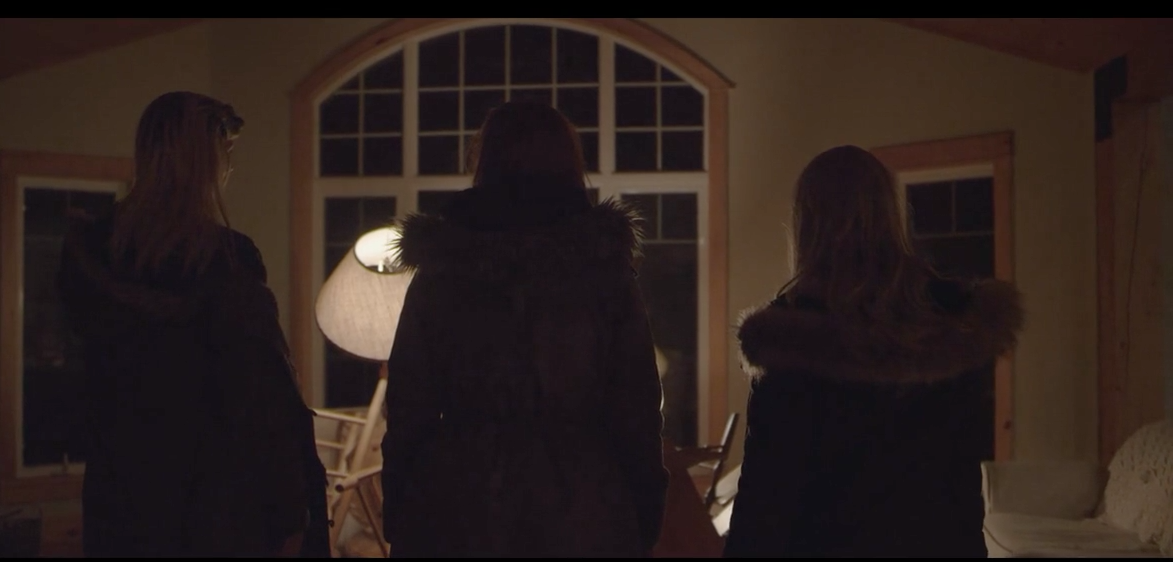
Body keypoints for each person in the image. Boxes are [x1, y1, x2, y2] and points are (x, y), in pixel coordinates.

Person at [382, 101, 670, 557]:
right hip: (583, 508)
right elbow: (635, 407)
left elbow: (408, 405)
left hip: (457, 505)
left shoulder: (443, 271)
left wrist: (401, 510)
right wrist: (644, 514)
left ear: (485, 160)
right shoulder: (601, 272)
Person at [58, 91, 331, 557]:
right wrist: (291, 511)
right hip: (212, 511)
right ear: (206, 161)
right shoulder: (224, 263)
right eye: (225, 153)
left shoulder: (94, 260)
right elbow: (262, 400)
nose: (229, 169)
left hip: (120, 504)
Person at [723, 145, 1024, 558]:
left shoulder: (787, 337)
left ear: (805, 223)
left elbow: (766, 503)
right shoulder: (952, 324)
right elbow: (961, 485)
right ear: (889, 212)